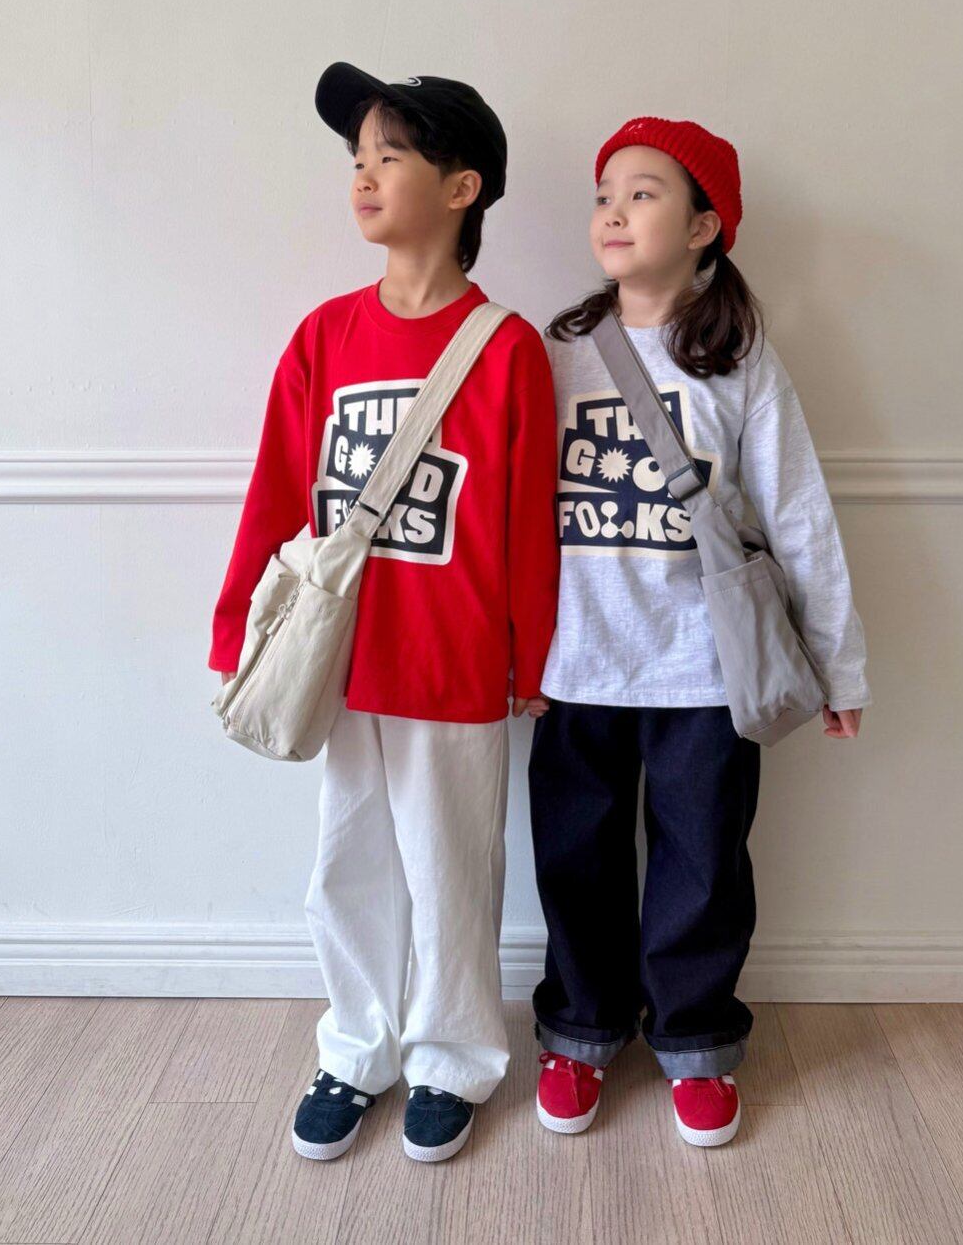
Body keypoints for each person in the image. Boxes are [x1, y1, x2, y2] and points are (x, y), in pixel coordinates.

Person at [209, 63, 558, 1163]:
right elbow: (277, 490)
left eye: (389, 155)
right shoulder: (325, 335)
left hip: (454, 658)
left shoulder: (506, 348)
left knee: (452, 870)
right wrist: (236, 625)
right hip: (340, 655)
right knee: (348, 862)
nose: (361, 174)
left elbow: (527, 520)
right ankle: (356, 1045)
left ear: (461, 187)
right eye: (355, 157)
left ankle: (450, 1056)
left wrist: (534, 655)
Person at [527, 115, 870, 1148]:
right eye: (603, 195)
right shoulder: (552, 352)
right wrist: (509, 649)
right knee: (574, 859)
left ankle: (695, 1040)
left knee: (704, 864)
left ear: (704, 224)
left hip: (705, 670)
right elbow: (507, 510)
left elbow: (797, 513)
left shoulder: (739, 359)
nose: (613, 211)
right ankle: (579, 1030)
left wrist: (838, 664)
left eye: (642, 193)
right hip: (574, 664)